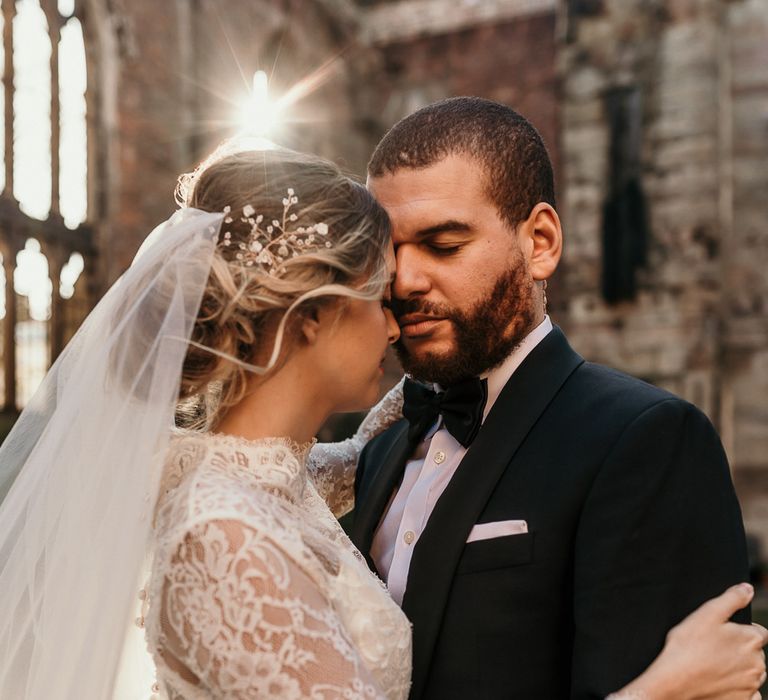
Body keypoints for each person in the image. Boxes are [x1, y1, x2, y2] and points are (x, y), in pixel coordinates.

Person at [0, 144, 763, 700]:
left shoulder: (268, 469)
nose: (398, 307)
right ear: (309, 318)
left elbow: (332, 461)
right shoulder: (221, 531)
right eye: (380, 279)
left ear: (540, 242)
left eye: (443, 243)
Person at [352, 96, 758, 699]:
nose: (405, 281)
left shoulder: (646, 439)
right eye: (390, 253)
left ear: (539, 242)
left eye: (443, 244)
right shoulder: (376, 448)